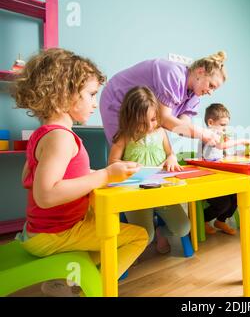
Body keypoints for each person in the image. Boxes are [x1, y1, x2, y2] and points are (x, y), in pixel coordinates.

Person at [13, 48, 148, 296]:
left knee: (103, 223)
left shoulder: (44, 134)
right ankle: (92, 285)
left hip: (40, 232)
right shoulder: (61, 138)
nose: (96, 103)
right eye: (91, 94)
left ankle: (62, 281)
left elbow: (28, 178)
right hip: (55, 235)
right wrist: (105, 175)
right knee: (139, 236)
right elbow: (46, 195)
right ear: (64, 93)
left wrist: (89, 173)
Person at [108, 86, 190, 253]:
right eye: (143, 123)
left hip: (161, 191)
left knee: (183, 228)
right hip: (135, 194)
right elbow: (112, 162)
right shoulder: (125, 136)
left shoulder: (160, 132)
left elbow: (170, 153)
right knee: (146, 236)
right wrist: (127, 167)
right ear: (130, 119)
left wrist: (172, 158)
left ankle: (162, 231)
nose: (150, 126)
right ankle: (139, 241)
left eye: (153, 120)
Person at [100, 51, 228, 147]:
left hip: (141, 114)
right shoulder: (173, 74)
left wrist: (209, 135)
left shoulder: (194, 96)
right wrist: (202, 133)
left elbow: (181, 128)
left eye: (214, 89)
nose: (210, 92)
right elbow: (164, 119)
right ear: (200, 71)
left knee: (144, 154)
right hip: (117, 100)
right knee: (125, 151)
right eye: (211, 85)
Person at [200, 103, 250, 235]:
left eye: (226, 125)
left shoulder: (218, 136)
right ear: (211, 122)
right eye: (223, 125)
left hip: (220, 176)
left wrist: (240, 153)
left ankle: (220, 221)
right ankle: (202, 220)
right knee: (223, 203)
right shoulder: (207, 134)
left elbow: (223, 153)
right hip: (208, 179)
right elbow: (221, 147)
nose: (225, 128)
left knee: (236, 197)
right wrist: (241, 141)